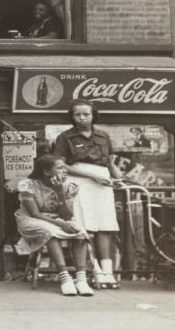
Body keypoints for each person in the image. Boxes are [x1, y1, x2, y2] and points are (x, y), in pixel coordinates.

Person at [52, 99, 124, 289]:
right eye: (78, 114)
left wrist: (118, 179)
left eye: (86, 114)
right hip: (79, 182)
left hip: (102, 182)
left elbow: (110, 162)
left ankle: (108, 273)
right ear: (72, 116)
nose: (82, 118)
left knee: (104, 226)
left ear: (93, 115)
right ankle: (94, 272)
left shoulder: (104, 136)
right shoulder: (65, 137)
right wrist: (92, 176)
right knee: (83, 228)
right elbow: (61, 165)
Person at [16, 155, 92, 296]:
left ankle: (81, 279)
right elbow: (34, 214)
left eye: (64, 167)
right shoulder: (29, 185)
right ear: (46, 172)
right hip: (30, 220)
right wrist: (61, 224)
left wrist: (60, 193)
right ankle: (65, 278)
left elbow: (67, 216)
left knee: (79, 231)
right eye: (60, 168)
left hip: (58, 219)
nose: (65, 171)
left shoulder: (67, 186)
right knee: (49, 231)